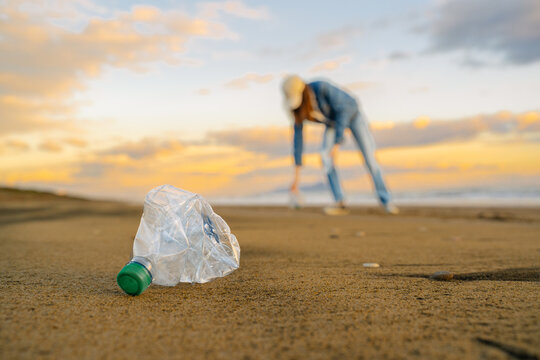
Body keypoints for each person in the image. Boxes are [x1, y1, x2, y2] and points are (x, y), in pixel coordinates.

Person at [282, 75, 398, 215]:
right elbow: (298, 141)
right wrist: (296, 178)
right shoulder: (299, 110)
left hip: (353, 114)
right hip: (332, 123)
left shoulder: (322, 87)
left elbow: (344, 110)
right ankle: (340, 202)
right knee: (326, 158)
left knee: (370, 158)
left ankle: (386, 200)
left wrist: (337, 142)